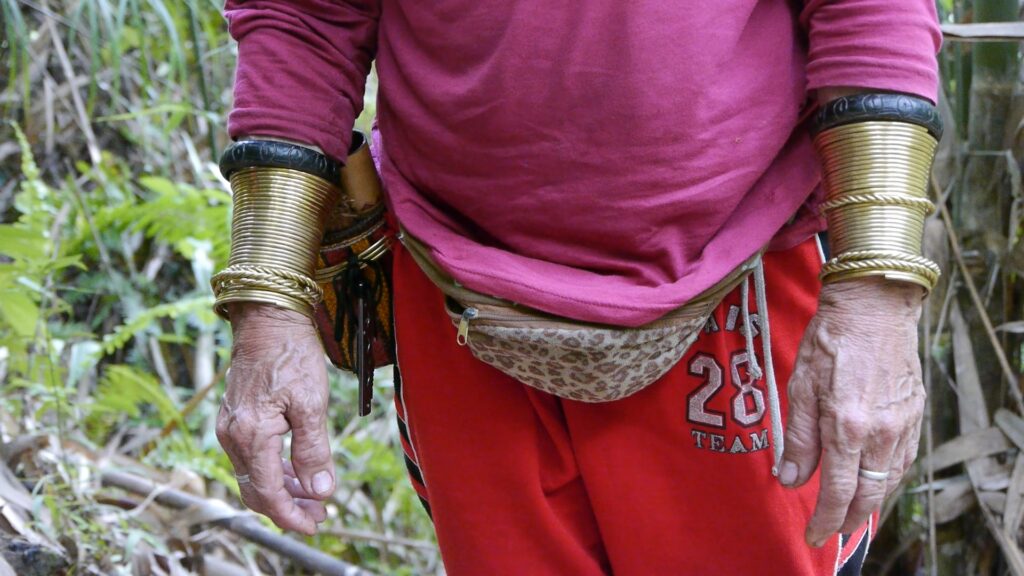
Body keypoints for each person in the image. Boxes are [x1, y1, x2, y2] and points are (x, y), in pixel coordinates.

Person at [211, 1, 943, 574]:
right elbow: (303, 14)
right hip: (453, 288)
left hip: (739, 273)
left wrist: (876, 293)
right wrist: (268, 304)